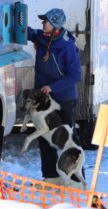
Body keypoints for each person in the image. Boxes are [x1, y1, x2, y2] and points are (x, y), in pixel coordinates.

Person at [27, 8, 83, 187]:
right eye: (43, 21)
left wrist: (53, 87)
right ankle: (50, 176)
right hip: (45, 100)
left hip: (64, 99)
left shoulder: (67, 47)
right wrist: (15, 14)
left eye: (46, 21)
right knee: (45, 136)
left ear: (56, 25)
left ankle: (75, 179)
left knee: (67, 139)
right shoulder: (41, 36)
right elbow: (27, 32)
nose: (42, 24)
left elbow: (75, 75)